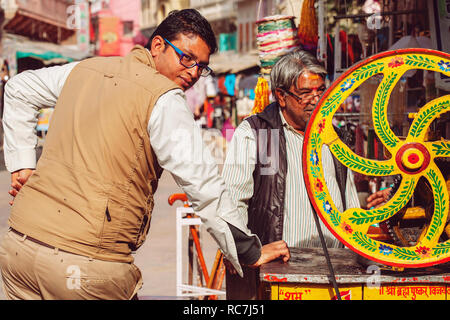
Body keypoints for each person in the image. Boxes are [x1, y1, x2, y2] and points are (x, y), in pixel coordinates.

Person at [0, 9, 289, 300]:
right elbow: (205, 186)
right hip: (84, 266)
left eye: (201, 67)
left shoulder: (87, 69)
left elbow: (19, 88)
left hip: (19, 252)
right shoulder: (164, 99)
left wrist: (23, 164)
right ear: (158, 46)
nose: (192, 73)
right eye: (186, 58)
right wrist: (247, 251)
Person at [221, 50, 360, 299]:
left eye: (321, 91)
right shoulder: (257, 134)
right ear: (281, 97)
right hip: (277, 272)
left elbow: (349, 202)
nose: (316, 99)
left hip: (332, 270)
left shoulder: (336, 137)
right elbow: (232, 200)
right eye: (306, 93)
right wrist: (243, 250)